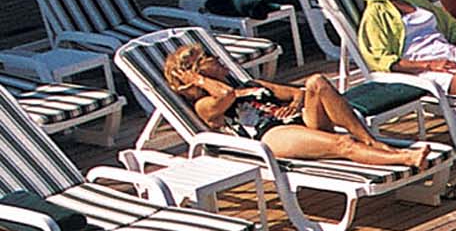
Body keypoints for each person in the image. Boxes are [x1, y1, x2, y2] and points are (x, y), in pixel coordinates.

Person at [159, 40, 432, 172]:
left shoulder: (250, 83)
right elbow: (226, 94)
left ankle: (370, 140)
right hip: (271, 136)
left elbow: (297, 92)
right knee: (343, 144)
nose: (217, 58)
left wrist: (294, 104)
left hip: (296, 121)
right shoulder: (205, 105)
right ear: (197, 72)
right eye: (208, 58)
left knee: (317, 82)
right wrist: (199, 81)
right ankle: (405, 158)